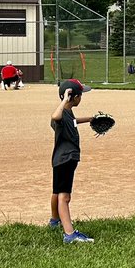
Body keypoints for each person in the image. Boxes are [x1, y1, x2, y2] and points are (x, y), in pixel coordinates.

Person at [49, 79, 96, 243]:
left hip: (60, 159)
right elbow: (55, 117)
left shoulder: (67, 114)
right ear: (73, 97)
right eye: (80, 95)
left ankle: (55, 221)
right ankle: (69, 234)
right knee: (65, 196)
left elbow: (72, 122)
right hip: (66, 158)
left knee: (57, 191)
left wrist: (90, 119)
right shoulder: (60, 114)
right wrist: (64, 100)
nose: (81, 98)